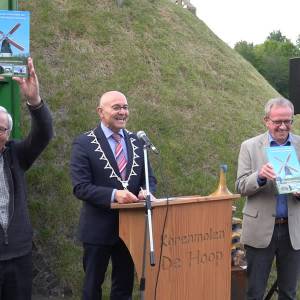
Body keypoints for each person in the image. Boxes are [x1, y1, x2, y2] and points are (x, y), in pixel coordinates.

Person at [70, 91, 157, 300]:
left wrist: (147, 191)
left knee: (124, 287)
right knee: (92, 287)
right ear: (101, 112)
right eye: (116, 107)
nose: (122, 112)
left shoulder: (137, 142)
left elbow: (149, 178)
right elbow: (80, 187)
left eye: (125, 107)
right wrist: (113, 194)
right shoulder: (84, 143)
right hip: (97, 230)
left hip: (130, 228)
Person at [236, 97, 300, 299]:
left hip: (293, 231)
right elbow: (240, 186)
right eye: (277, 121)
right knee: (255, 292)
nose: (283, 126)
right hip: (260, 230)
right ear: (266, 120)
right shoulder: (250, 146)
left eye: (287, 121)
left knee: (289, 293)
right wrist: (260, 176)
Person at [0, 57, 53, 299]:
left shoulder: (17, 155)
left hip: (18, 257)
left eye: (2, 129)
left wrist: (34, 100)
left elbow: (43, 134)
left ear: (8, 133)